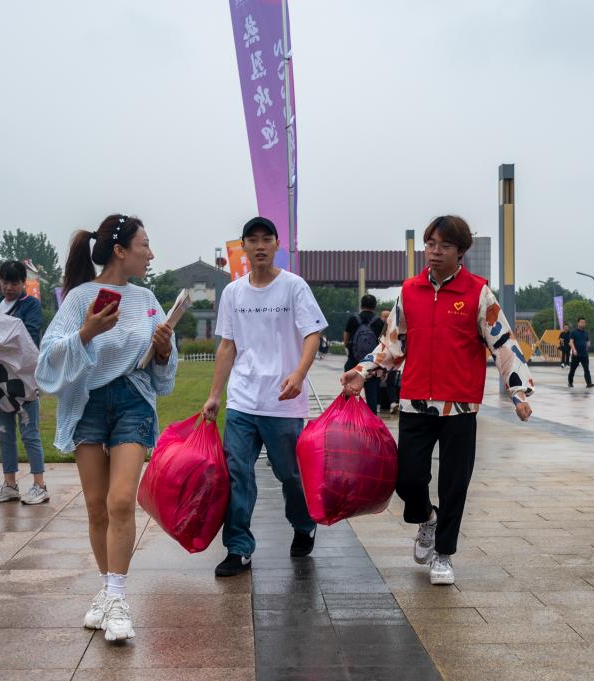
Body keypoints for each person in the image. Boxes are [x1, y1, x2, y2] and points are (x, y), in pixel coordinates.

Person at [341, 215, 533, 586]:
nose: (435, 252)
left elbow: (503, 342)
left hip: (460, 405)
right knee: (407, 478)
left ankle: (443, 554)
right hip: (415, 402)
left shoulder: (478, 293)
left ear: (461, 251)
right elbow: (392, 344)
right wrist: (362, 371)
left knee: (454, 483)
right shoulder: (410, 290)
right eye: (430, 244)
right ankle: (427, 519)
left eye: (444, 246)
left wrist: (518, 391)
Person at [36, 214, 177, 641]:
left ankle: (117, 599)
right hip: (88, 405)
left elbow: (163, 368)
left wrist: (163, 350)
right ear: (120, 250)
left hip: (133, 401)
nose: (150, 254)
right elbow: (48, 357)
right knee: (96, 506)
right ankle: (107, 590)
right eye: (144, 245)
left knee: (120, 501)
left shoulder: (147, 299)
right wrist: (86, 332)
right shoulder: (80, 298)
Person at [202, 216, 327, 577]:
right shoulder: (233, 292)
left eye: (266, 239)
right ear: (243, 246)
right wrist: (215, 395)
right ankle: (238, 547)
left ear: (276, 245)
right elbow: (227, 345)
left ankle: (303, 523)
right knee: (237, 473)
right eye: (252, 240)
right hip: (242, 401)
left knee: (290, 474)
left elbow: (313, 334)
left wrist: (299, 374)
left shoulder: (293, 287)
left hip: (283, 402)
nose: (259, 246)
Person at [0, 261, 49, 506]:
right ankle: (10, 485)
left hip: (25, 378)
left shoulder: (30, 305)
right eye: (5, 282)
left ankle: (39, 485)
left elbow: (29, 336)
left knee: (29, 432)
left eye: (14, 282)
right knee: (4, 432)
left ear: (23, 283)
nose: (8, 287)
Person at [344, 294, 384, 414]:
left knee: (349, 392)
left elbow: (345, 340)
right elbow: (384, 345)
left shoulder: (352, 320)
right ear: (375, 306)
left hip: (353, 362)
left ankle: (348, 418)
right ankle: (371, 421)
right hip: (372, 365)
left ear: (361, 305)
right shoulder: (380, 322)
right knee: (372, 396)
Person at [567, 318, 594, 388]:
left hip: (584, 355)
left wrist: (588, 345)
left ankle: (589, 383)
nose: (583, 324)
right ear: (578, 323)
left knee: (586, 369)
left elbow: (588, 341)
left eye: (584, 322)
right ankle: (570, 382)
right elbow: (571, 342)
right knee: (572, 370)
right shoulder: (573, 332)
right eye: (581, 322)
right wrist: (574, 350)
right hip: (576, 355)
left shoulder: (586, 333)